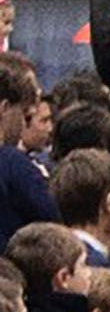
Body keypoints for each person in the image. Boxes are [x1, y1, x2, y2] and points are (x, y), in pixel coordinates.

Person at [0, 58, 57, 248]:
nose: (25, 124)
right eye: (25, 114)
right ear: (4, 108)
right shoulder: (13, 165)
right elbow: (53, 223)